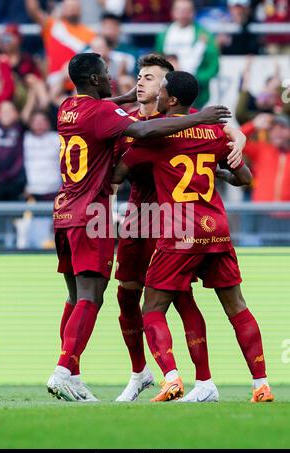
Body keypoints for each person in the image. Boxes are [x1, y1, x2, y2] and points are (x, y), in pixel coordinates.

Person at [47, 52, 231, 402]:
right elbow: (121, 133)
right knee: (123, 295)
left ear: (170, 90)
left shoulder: (179, 118)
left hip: (171, 221)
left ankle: (198, 379)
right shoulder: (121, 118)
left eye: (152, 78)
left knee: (176, 297)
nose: (140, 82)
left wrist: (237, 141)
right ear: (98, 80)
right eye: (141, 76)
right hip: (129, 217)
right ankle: (137, 373)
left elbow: (227, 131)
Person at [113, 71, 274, 403]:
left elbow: (118, 173)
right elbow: (244, 177)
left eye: (162, 92)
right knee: (237, 307)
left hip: (180, 230)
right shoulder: (214, 132)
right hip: (216, 228)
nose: (156, 95)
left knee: (153, 308)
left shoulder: (157, 138)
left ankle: (171, 378)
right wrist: (220, 172)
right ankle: (260, 384)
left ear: (171, 100)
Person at [155, 0, 219, 109]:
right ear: (173, 12)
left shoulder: (204, 35)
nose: (183, 14)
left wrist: (195, 80)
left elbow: (213, 65)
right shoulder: (164, 35)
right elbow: (158, 58)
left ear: (193, 12)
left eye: (186, 10)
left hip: (196, 95)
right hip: (167, 88)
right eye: (179, 10)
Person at [25, 0, 97, 87]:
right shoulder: (52, 26)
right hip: (55, 85)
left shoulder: (90, 34)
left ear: (80, 9)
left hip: (80, 87)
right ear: (63, 9)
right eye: (69, 6)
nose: (72, 9)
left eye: (75, 6)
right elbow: (33, 11)